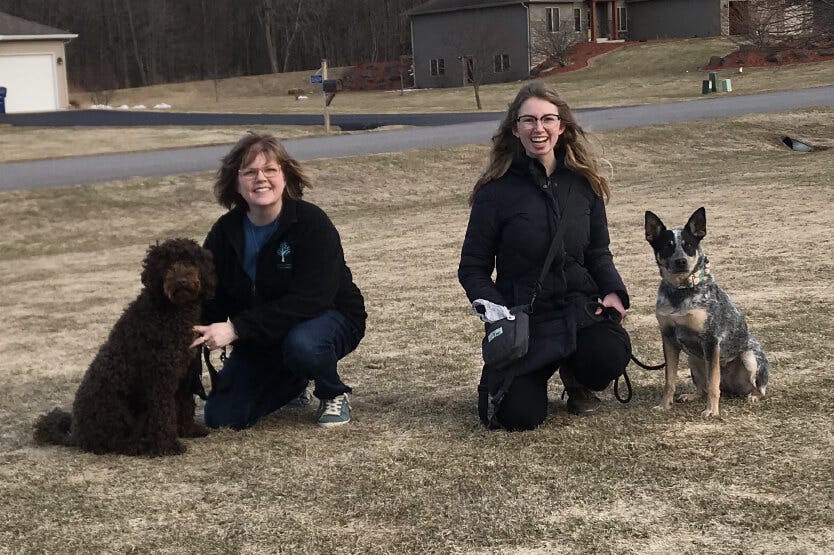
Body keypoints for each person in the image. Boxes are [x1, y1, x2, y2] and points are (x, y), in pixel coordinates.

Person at [458, 82, 631, 431]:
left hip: (578, 310)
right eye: (529, 120)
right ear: (515, 129)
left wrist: (613, 291)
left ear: (561, 126)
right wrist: (497, 313)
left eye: (548, 119)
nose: (539, 129)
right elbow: (472, 269)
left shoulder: (585, 185)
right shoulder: (495, 193)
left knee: (610, 353)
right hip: (526, 319)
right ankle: (523, 379)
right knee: (519, 417)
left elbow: (598, 252)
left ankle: (577, 377)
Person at [191, 133, 366, 429]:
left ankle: (332, 391)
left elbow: (313, 299)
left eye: (270, 170)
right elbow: (211, 296)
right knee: (221, 417)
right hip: (261, 335)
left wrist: (236, 328)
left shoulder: (311, 223)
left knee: (303, 346)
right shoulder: (224, 232)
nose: (260, 178)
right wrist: (200, 331)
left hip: (328, 319)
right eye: (249, 172)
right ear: (235, 182)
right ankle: (293, 382)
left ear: (285, 176)